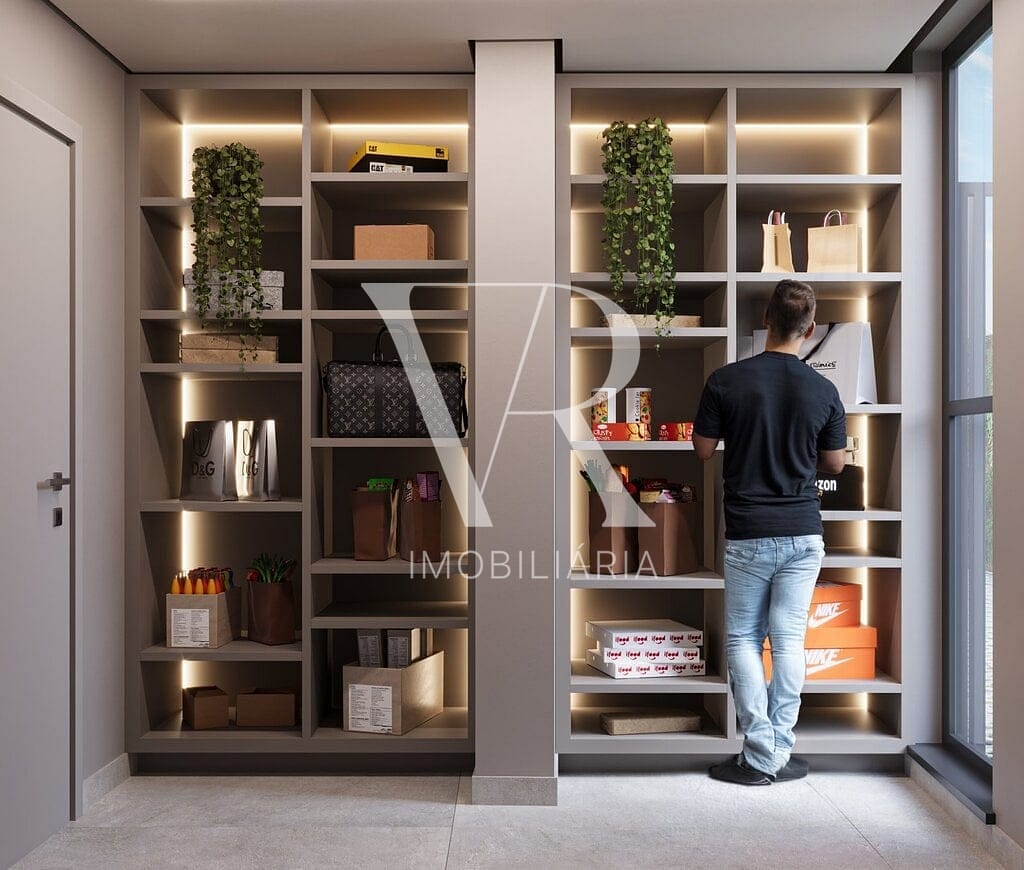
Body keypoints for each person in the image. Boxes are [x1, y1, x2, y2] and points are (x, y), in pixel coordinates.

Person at [693, 279, 846, 786]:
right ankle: (778, 748)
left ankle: (760, 752)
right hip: (803, 532)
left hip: (748, 532)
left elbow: (702, 450)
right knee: (789, 641)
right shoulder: (824, 390)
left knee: (743, 637)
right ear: (811, 328)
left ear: (766, 320)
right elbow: (835, 465)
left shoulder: (725, 380)